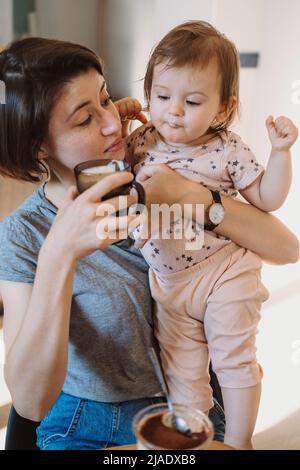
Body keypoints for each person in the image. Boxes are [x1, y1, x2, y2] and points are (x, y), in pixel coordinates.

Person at [0, 38, 298, 451]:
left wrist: (194, 197)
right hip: (88, 423)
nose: (110, 123)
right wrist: (59, 255)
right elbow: (30, 401)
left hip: (188, 399)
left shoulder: (161, 166)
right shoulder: (25, 233)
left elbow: (287, 249)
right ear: (38, 146)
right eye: (85, 119)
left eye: (106, 99)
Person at [125, 21, 299, 449]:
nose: (174, 111)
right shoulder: (141, 141)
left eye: (192, 101)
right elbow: (114, 179)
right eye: (162, 96)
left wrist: (280, 153)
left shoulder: (228, 147)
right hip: (170, 284)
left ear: (222, 108)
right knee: (181, 371)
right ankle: (195, 440)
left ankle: (240, 441)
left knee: (234, 360)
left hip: (225, 271)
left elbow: (266, 197)